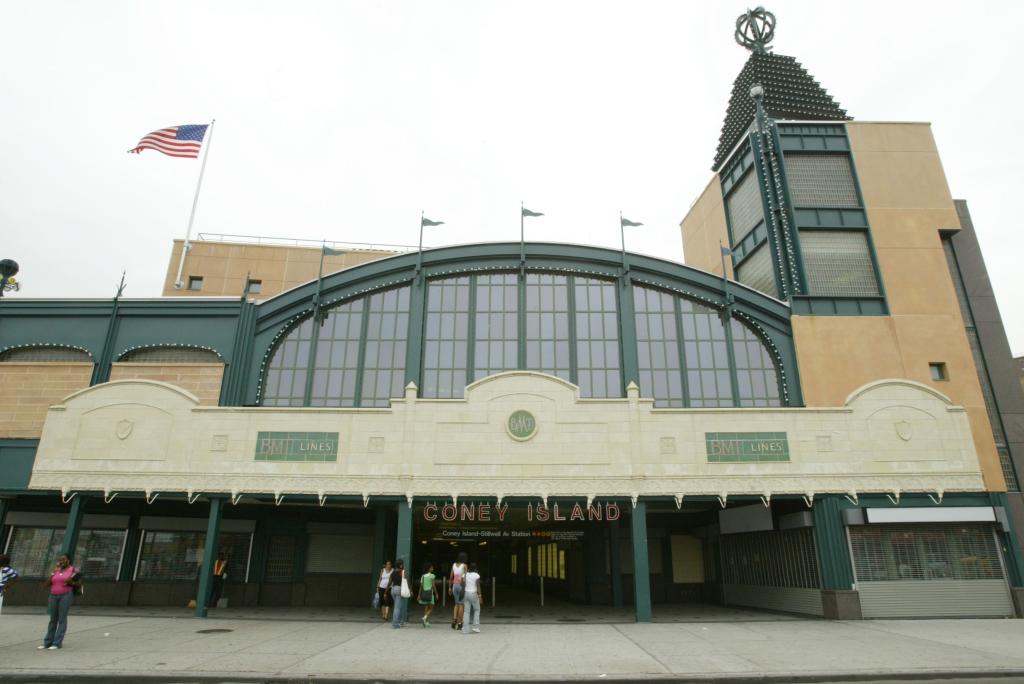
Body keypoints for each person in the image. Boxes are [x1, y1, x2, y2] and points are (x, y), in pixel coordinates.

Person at [39, 554, 80, 650]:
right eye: (60, 560)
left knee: (62, 618)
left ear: (68, 561)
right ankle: (47, 642)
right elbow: (47, 584)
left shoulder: (73, 570)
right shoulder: (56, 570)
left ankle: (57, 643)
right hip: (53, 595)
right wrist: (53, 573)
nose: (61, 561)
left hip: (66, 595)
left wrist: (71, 582)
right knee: (53, 619)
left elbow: (79, 584)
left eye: (63, 559)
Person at [448, 551, 468, 630]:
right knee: (461, 604)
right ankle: (460, 622)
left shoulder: (453, 565)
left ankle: (454, 620)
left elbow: (450, 577)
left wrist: (449, 587)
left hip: (454, 586)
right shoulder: (464, 565)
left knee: (456, 604)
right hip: (461, 586)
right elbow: (466, 577)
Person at [386, 559, 407, 629]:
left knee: (399, 606)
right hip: (399, 590)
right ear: (400, 565)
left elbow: (389, 582)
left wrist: (386, 591)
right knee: (397, 607)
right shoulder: (402, 572)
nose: (403, 565)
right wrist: (410, 590)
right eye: (402, 564)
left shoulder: (393, 573)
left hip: (393, 589)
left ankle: (401, 621)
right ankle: (395, 624)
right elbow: (407, 580)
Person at [462, 562, 482, 634]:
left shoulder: (465, 574)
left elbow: (463, 584)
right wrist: (480, 596)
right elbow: (478, 586)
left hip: (466, 593)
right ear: (475, 568)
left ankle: (465, 628)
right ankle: (476, 627)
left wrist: (463, 592)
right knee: (477, 610)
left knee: (466, 611)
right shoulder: (476, 575)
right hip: (473, 593)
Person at [417, 561, 436, 627]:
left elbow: (421, 587)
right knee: (431, 609)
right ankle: (424, 618)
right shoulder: (432, 576)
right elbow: (433, 586)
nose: (432, 569)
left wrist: (419, 595)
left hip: (424, 593)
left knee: (426, 607)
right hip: (430, 594)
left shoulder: (423, 576)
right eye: (432, 568)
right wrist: (436, 593)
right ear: (429, 569)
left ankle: (425, 622)